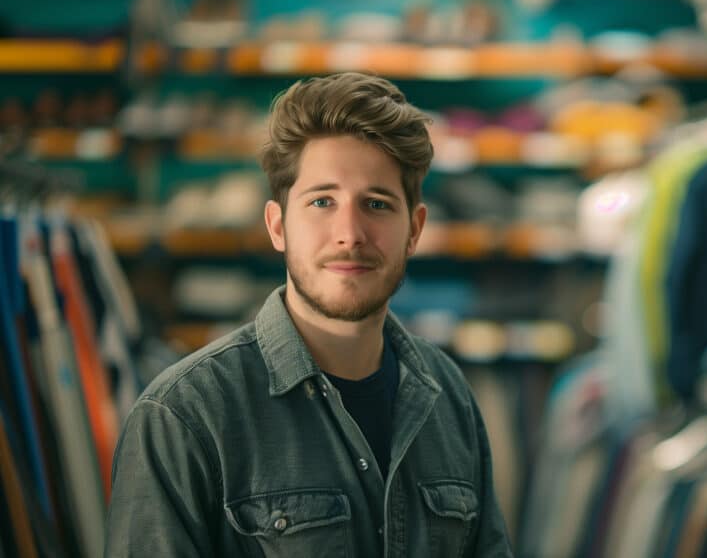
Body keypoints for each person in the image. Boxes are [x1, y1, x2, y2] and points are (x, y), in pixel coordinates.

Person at [106, 72, 513, 557]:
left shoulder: (449, 398)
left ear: (414, 229)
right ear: (278, 227)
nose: (350, 233)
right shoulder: (185, 416)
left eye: (377, 204)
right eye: (322, 201)